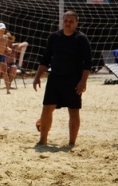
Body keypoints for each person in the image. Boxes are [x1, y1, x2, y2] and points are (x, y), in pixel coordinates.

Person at [32, 10, 92, 148]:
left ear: (76, 23)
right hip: (55, 78)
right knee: (47, 108)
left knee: (73, 110)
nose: (68, 23)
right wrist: (37, 77)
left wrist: (83, 81)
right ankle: (43, 140)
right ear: (62, 22)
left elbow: (87, 63)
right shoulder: (54, 37)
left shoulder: (82, 39)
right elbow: (45, 59)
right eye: (66, 21)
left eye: (71, 21)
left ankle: (71, 143)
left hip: (74, 80)